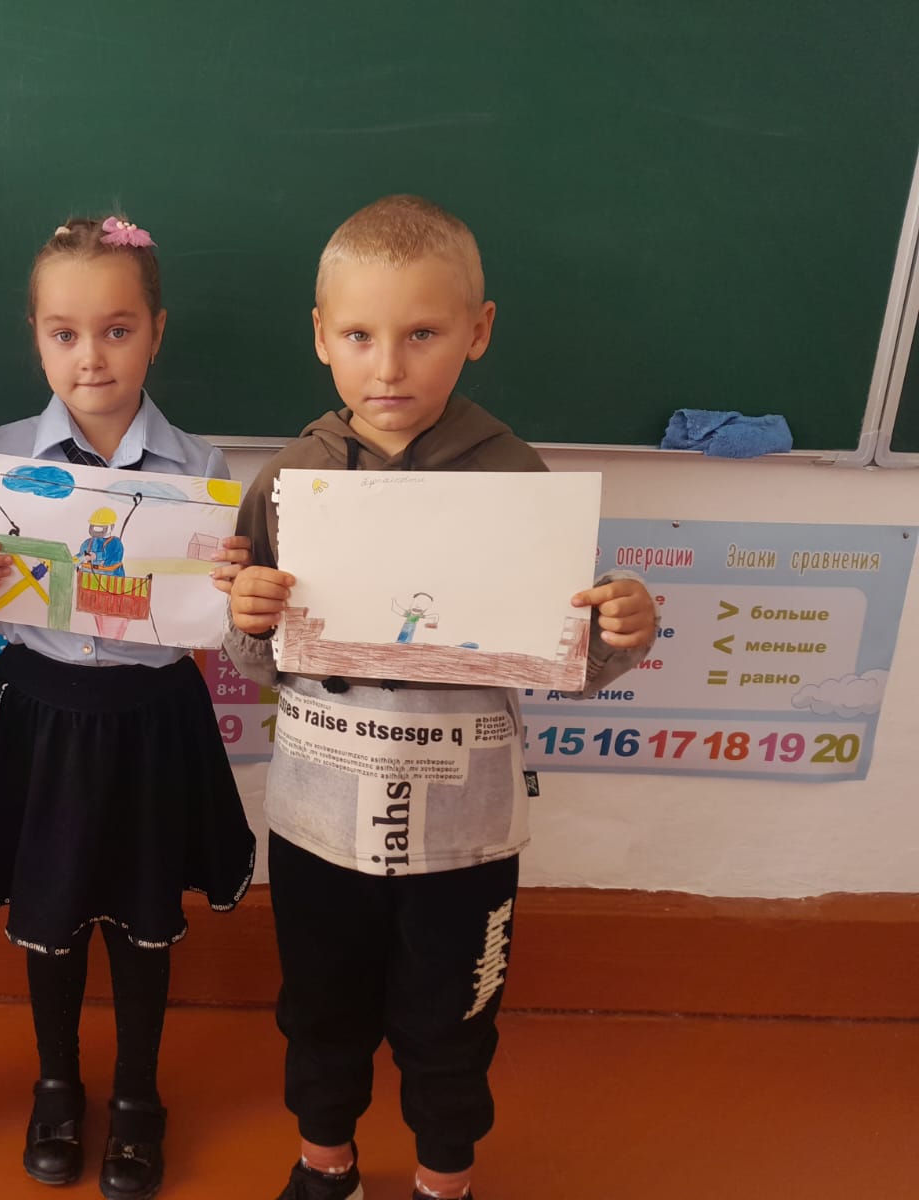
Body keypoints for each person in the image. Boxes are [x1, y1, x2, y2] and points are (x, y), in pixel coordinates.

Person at [226, 196, 658, 1200]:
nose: (389, 366)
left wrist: (618, 635)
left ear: (478, 330)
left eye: (422, 334)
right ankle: (325, 1163)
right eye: (360, 336)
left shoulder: (516, 480)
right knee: (320, 1007)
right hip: (320, 821)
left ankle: (442, 1179)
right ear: (321, 336)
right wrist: (247, 621)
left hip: (464, 833)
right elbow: (258, 663)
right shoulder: (290, 479)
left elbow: (562, 659)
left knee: (452, 1016)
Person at [0, 216, 257, 1200]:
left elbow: (227, 624)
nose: (92, 357)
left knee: (143, 915)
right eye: (65, 333)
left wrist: (232, 586)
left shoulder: (203, 471)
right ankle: (55, 1085)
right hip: (41, 715)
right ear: (36, 338)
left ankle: (137, 1095)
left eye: (118, 330)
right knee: (52, 912)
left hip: (152, 718)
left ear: (156, 332)